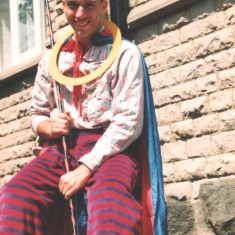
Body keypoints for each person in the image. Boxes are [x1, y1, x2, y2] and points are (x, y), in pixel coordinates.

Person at [0, 0, 166, 234]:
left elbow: (129, 121)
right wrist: (49, 126)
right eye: (72, 5)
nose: (79, 14)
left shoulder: (125, 54)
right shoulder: (51, 59)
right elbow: (37, 114)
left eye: (88, 5)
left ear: (104, 6)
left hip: (112, 149)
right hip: (63, 148)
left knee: (110, 204)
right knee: (15, 195)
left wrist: (85, 168)